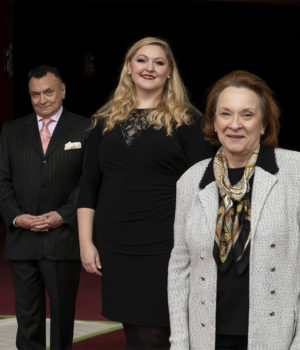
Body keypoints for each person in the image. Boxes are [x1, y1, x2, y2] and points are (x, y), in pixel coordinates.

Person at [77, 36, 212, 350]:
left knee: (158, 331)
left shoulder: (189, 121)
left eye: (159, 62)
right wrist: (86, 243)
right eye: (141, 60)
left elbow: (203, 188)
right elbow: (88, 185)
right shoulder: (103, 122)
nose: (149, 67)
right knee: (133, 330)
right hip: (116, 242)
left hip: (164, 243)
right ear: (128, 67)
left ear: (169, 73)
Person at [168, 69, 300, 350]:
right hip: (207, 336)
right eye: (225, 114)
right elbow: (179, 266)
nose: (235, 124)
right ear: (213, 122)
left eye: (247, 115)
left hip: (276, 336)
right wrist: (179, 341)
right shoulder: (192, 181)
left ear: (264, 124)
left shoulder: (294, 172)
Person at [0, 65, 90, 350]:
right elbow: (2, 181)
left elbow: (89, 182)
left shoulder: (86, 128)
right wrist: (17, 217)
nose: (42, 99)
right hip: (23, 239)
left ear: (63, 89)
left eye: (48, 92)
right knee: (27, 316)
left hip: (63, 238)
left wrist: (63, 216)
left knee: (63, 314)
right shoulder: (12, 130)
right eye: (35, 94)